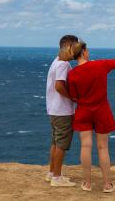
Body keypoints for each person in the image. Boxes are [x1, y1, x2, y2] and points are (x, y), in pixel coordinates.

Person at [67, 40, 115, 193]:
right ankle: (107, 185)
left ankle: (87, 184)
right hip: (101, 110)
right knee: (103, 148)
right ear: (83, 52)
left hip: (83, 110)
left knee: (85, 146)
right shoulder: (99, 65)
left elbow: (73, 97)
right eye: (87, 49)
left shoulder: (72, 74)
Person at [45, 35, 78, 187]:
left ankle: (52, 172)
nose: (77, 50)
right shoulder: (63, 64)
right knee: (61, 145)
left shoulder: (56, 61)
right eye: (75, 47)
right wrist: (73, 98)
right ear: (68, 46)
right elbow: (59, 86)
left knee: (55, 143)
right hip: (62, 111)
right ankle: (57, 178)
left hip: (53, 109)